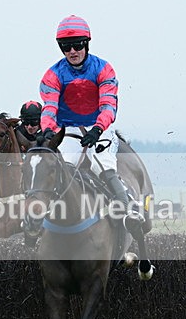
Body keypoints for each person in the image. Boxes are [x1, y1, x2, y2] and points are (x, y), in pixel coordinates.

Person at [37, 14, 142, 225]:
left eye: (76, 45)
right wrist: (48, 129)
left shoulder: (104, 69)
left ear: (86, 43)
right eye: (66, 47)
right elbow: (49, 108)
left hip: (98, 128)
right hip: (68, 130)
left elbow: (108, 106)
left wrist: (97, 129)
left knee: (102, 165)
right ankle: (42, 222)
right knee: (59, 169)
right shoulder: (53, 74)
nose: (72, 51)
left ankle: (128, 210)